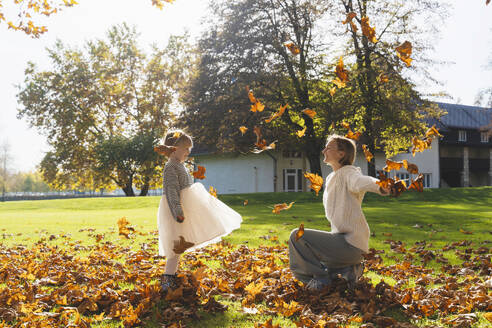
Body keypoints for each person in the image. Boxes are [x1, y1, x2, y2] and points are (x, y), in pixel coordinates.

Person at [288, 134, 390, 291]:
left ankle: (320, 281)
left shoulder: (349, 172)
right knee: (315, 256)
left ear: (341, 154)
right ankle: (348, 271)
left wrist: (381, 185)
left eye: (328, 148)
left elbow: (362, 181)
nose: (324, 151)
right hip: (341, 241)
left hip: (350, 244)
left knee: (297, 236)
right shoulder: (331, 177)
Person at [156, 129, 242, 292]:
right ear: (174, 148)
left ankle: (170, 279)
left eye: (189, 148)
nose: (188, 152)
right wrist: (177, 212)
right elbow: (171, 191)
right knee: (175, 249)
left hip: (184, 208)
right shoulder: (170, 168)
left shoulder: (179, 165)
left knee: (178, 247)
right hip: (175, 210)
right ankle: (167, 284)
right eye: (186, 148)